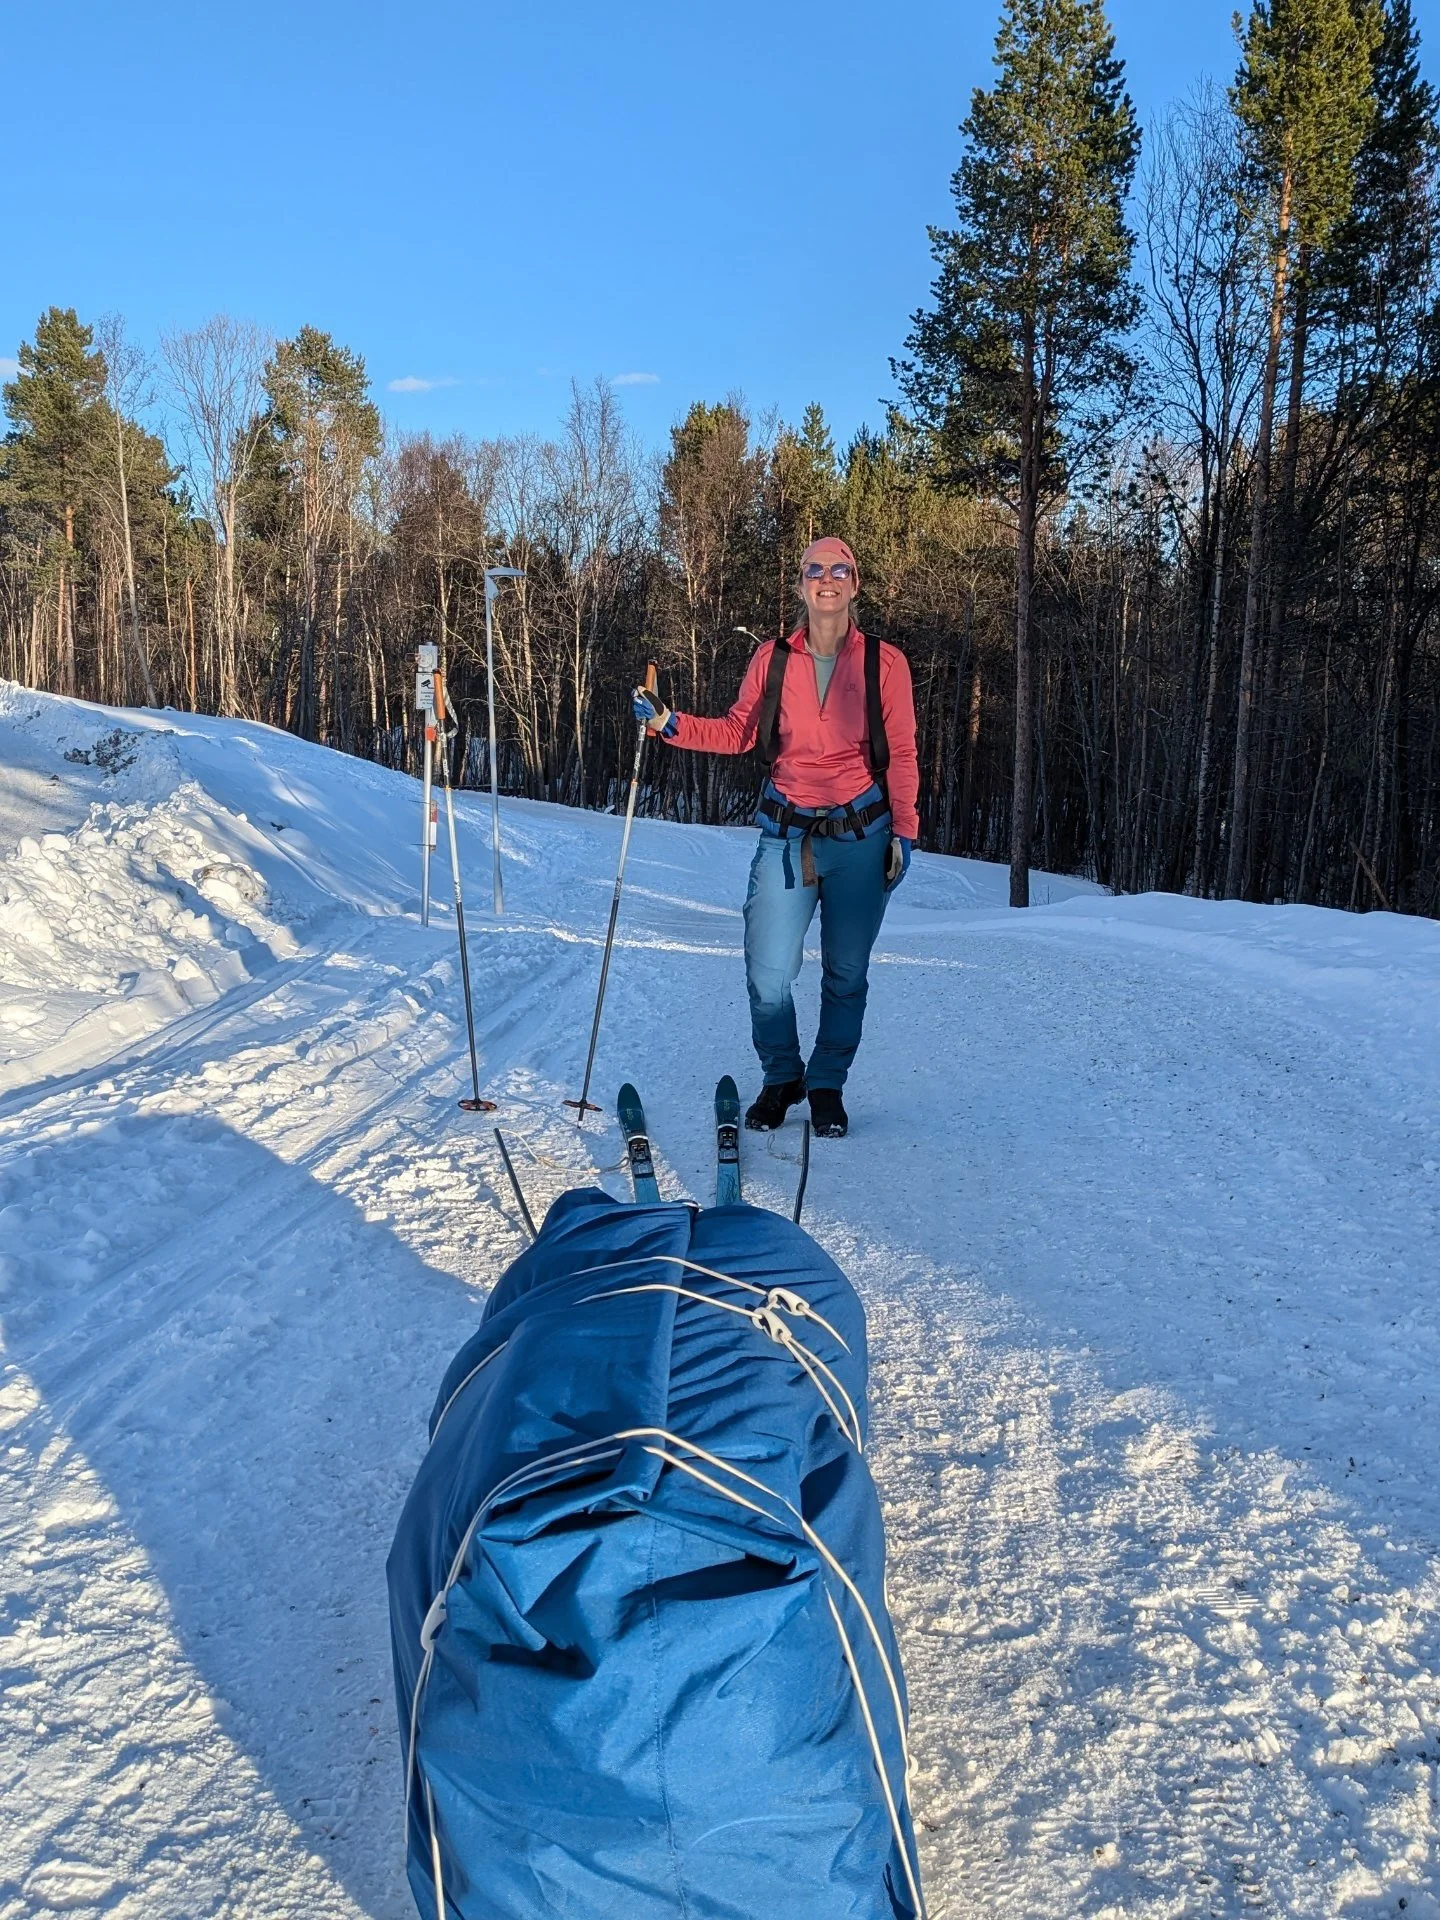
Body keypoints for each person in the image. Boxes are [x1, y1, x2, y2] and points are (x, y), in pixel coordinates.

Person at [632, 536, 918, 1139]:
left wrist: (904, 830)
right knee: (768, 971)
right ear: (801, 584)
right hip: (785, 835)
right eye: (816, 570)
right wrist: (669, 724)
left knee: (846, 972)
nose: (828, 581)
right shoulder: (773, 658)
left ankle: (826, 1086)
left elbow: (904, 754)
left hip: (862, 836)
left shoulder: (883, 663)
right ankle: (783, 1075)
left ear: (855, 583)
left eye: (840, 570)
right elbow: (739, 732)